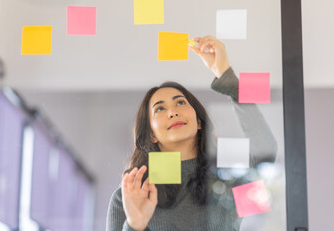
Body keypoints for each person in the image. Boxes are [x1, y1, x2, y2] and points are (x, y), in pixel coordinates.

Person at [106, 35, 277, 231]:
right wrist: (135, 225)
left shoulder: (224, 184)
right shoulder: (127, 198)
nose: (173, 111)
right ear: (151, 134)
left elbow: (266, 151)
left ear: (198, 122)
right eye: (160, 109)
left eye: (180, 102)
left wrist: (225, 75)